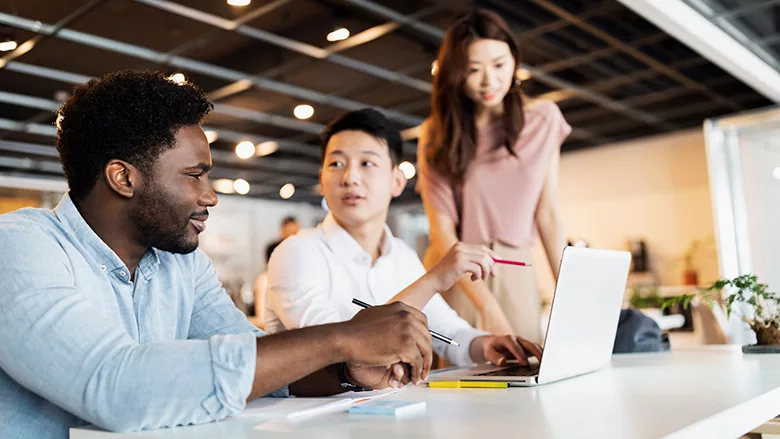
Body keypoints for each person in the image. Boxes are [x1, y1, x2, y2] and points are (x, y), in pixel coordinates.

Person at [0, 71, 433, 438]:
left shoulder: (179, 262)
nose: (210, 197)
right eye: (195, 176)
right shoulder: (20, 246)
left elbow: (260, 361)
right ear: (122, 178)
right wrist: (341, 336)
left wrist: (346, 370)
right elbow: (116, 387)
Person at [265, 108, 543, 369]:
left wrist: (487, 345)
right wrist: (433, 280)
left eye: (367, 163)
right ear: (322, 179)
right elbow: (336, 351)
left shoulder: (402, 256)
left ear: (397, 181)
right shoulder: (296, 252)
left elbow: (448, 335)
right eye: (336, 164)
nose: (350, 178)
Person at [417, 9, 572, 343]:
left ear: (514, 61)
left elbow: (548, 214)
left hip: (518, 270)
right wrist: (487, 307)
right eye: (473, 70)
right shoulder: (437, 133)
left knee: (526, 368)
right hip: (461, 274)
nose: (489, 80)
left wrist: (572, 294)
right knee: (463, 381)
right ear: (455, 74)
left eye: (499, 65)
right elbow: (441, 232)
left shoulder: (543, 119)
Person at [251, 216, 301, 319]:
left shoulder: (302, 251)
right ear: (282, 231)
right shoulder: (274, 249)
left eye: (295, 232)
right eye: (290, 232)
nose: (293, 236)